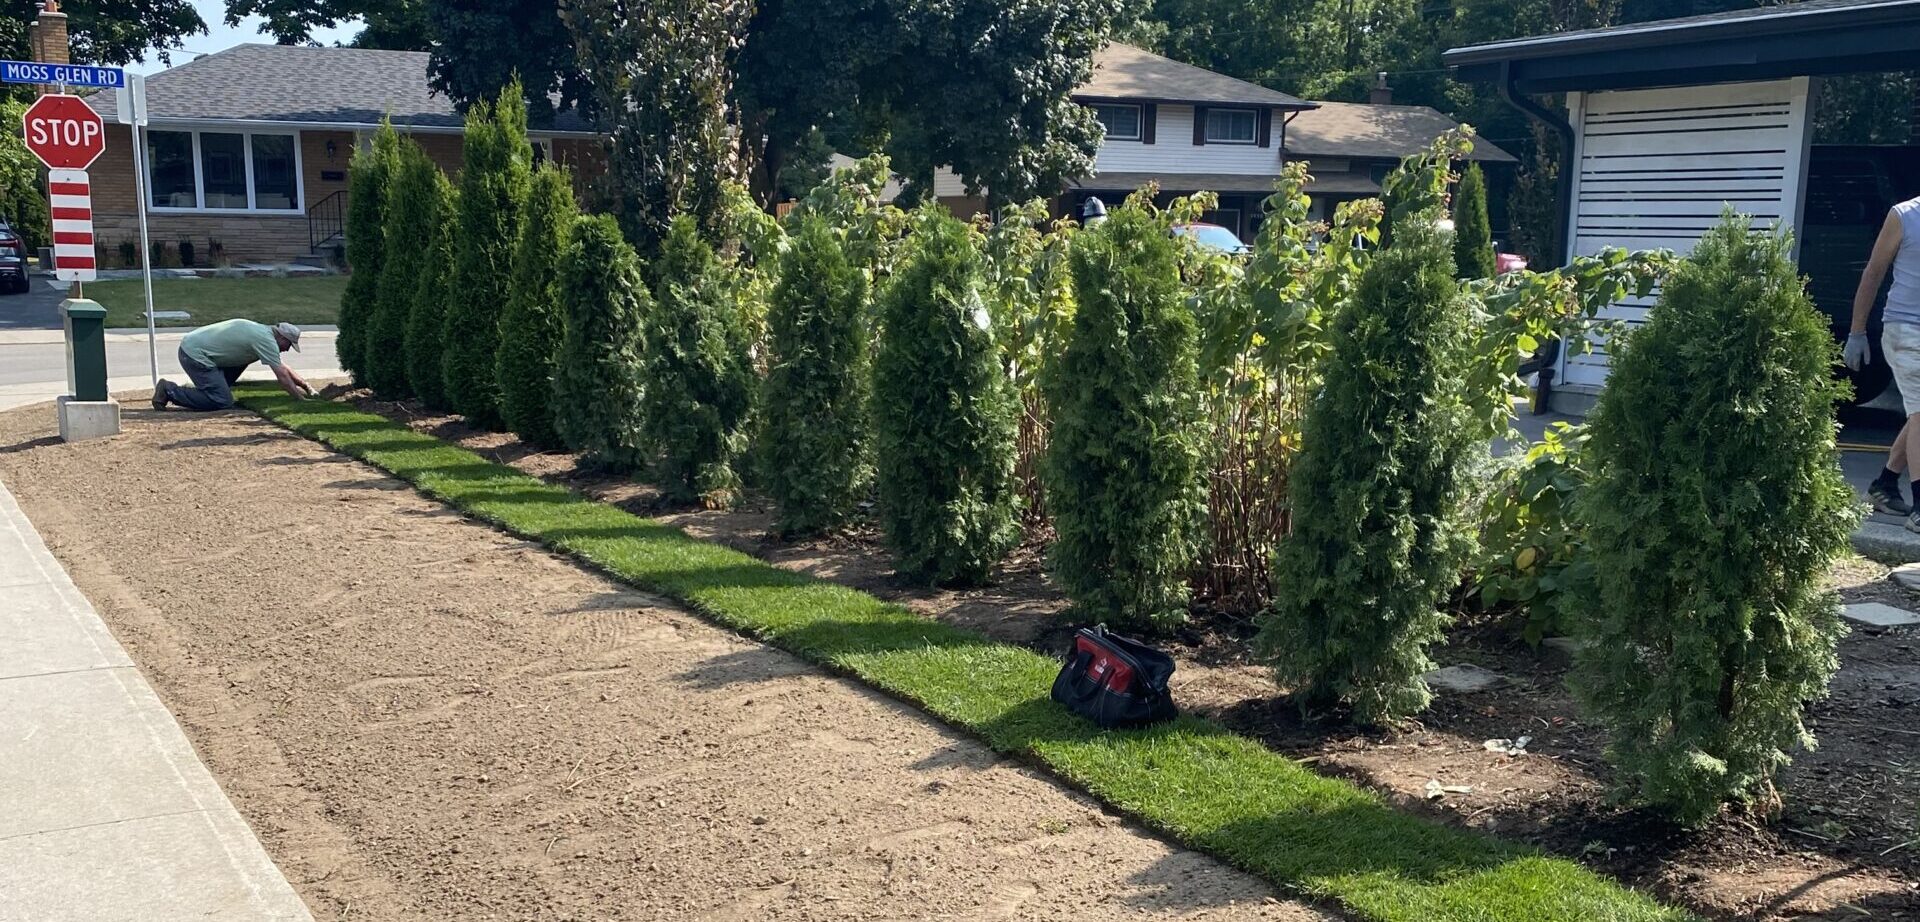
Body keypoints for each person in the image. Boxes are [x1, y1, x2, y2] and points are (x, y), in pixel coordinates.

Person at [1846, 192, 1920, 527]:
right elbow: (1874, 271)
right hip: (1906, 331)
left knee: (1918, 413)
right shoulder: (1903, 215)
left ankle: (1885, 485)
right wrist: (1857, 332)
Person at [151, 319, 318, 411]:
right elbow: (282, 375)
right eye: (289, 345)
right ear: (282, 337)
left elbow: (283, 367)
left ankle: (215, 387)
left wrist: (306, 386)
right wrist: (300, 399)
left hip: (195, 349)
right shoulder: (266, 340)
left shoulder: (262, 332)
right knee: (222, 401)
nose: (287, 349)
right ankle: (169, 390)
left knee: (243, 363)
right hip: (194, 355)